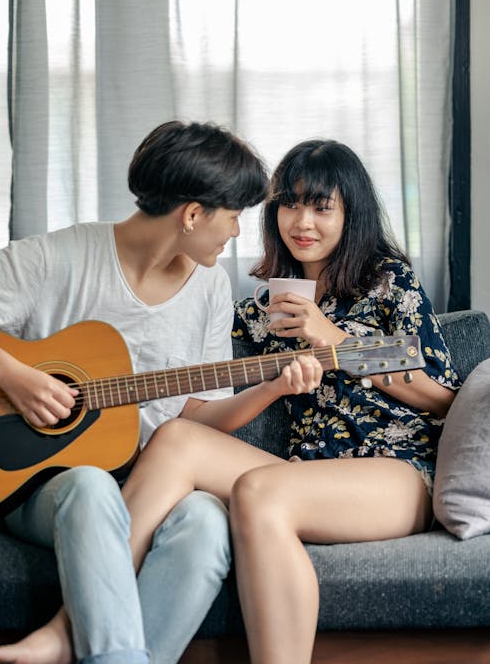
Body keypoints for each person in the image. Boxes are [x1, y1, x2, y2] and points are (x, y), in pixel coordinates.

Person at [106, 138, 460, 664]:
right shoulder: (267, 303)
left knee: (258, 491)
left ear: (350, 213)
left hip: (395, 469)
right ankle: (88, 621)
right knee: (177, 437)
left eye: (322, 207)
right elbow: (188, 339)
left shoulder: (389, 281)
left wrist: (334, 338)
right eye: (290, 204)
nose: (303, 221)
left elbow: (443, 398)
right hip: (304, 470)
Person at [0, 120, 323, 664]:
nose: (238, 232)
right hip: (37, 479)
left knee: (207, 522)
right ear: (192, 214)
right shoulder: (57, 259)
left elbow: (194, 418)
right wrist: (14, 375)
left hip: (151, 481)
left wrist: (270, 388)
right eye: (234, 216)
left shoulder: (211, 287)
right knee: (92, 487)